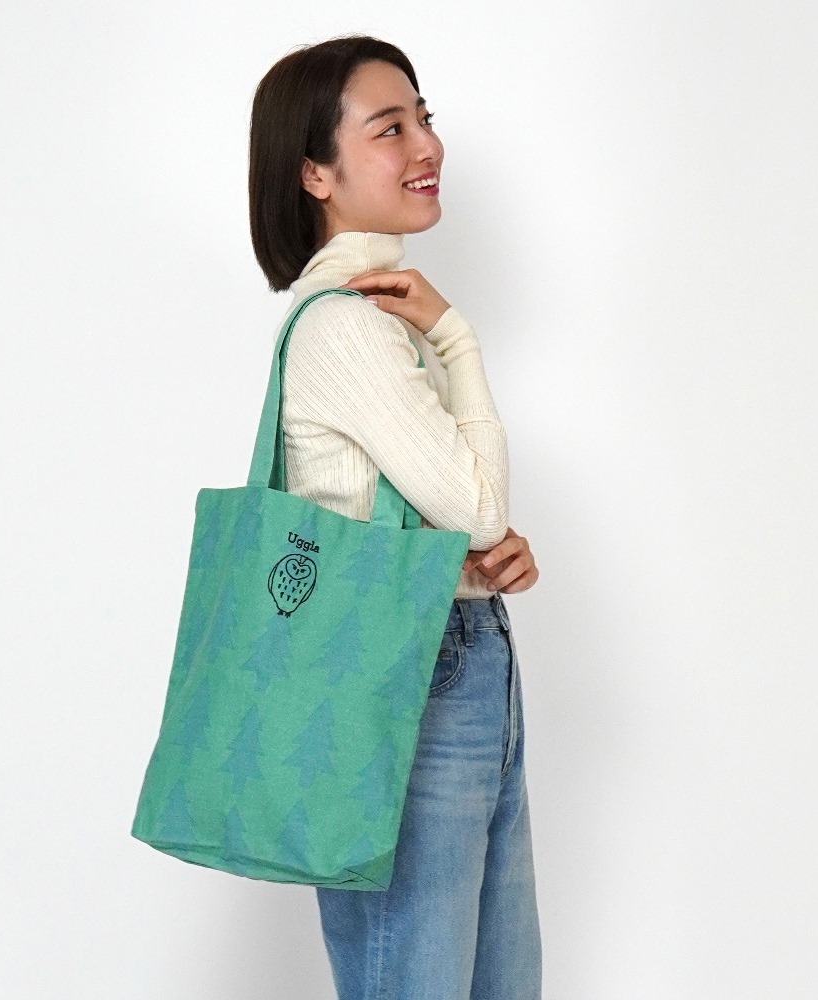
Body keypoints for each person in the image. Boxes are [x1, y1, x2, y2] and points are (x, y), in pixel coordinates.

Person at [248, 34, 542, 1000]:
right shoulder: (346, 326)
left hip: (460, 655)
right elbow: (478, 504)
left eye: (425, 117)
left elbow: (456, 518)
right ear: (315, 172)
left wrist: (477, 560)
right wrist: (457, 339)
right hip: (410, 679)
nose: (427, 145)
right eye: (390, 127)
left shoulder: (378, 319)